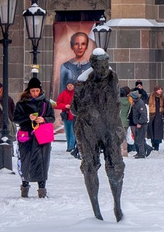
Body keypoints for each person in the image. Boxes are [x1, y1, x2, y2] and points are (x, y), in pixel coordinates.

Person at [70, 49, 125, 222]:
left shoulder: (112, 78)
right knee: (89, 166)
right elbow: (74, 109)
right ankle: (97, 212)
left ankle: (117, 205)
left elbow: (116, 106)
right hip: (88, 128)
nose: (103, 69)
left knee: (116, 166)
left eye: (105, 65)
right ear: (93, 65)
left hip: (109, 127)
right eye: (99, 66)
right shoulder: (83, 81)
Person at [13, 76, 53, 198]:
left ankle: (42, 188)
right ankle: (25, 186)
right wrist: (27, 117)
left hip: (42, 137)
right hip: (27, 137)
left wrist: (44, 119)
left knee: (42, 162)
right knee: (26, 161)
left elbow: (52, 117)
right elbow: (15, 118)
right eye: (33, 91)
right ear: (28, 91)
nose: (35, 93)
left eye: (37, 90)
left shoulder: (46, 103)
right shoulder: (22, 103)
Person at [56, 81, 79, 158]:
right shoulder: (63, 93)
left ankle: (71, 147)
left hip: (73, 116)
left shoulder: (76, 93)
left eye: (71, 85)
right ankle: (69, 146)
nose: (69, 87)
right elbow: (58, 103)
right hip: (66, 116)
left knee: (72, 132)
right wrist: (65, 106)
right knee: (68, 132)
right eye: (68, 85)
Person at [0, 81, 14, 151]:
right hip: (9, 120)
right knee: (9, 137)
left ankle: (0, 152)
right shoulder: (9, 99)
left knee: (0, 138)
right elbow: (14, 109)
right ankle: (10, 152)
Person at [129, 86, 149, 158]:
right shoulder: (137, 102)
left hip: (141, 124)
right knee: (138, 139)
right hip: (138, 123)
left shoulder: (140, 103)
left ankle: (142, 154)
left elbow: (143, 114)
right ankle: (142, 151)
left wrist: (140, 123)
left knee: (140, 140)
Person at [148, 85, 164, 151]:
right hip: (152, 116)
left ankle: (157, 145)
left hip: (159, 116)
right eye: (159, 89)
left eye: (161, 89)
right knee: (152, 131)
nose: (160, 91)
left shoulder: (163, 98)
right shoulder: (150, 97)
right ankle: (153, 143)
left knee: (158, 132)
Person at [118, 86, 132, 156]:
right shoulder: (129, 102)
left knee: (118, 137)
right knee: (124, 137)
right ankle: (125, 151)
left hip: (118, 121)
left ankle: (119, 151)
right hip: (125, 121)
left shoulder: (117, 102)